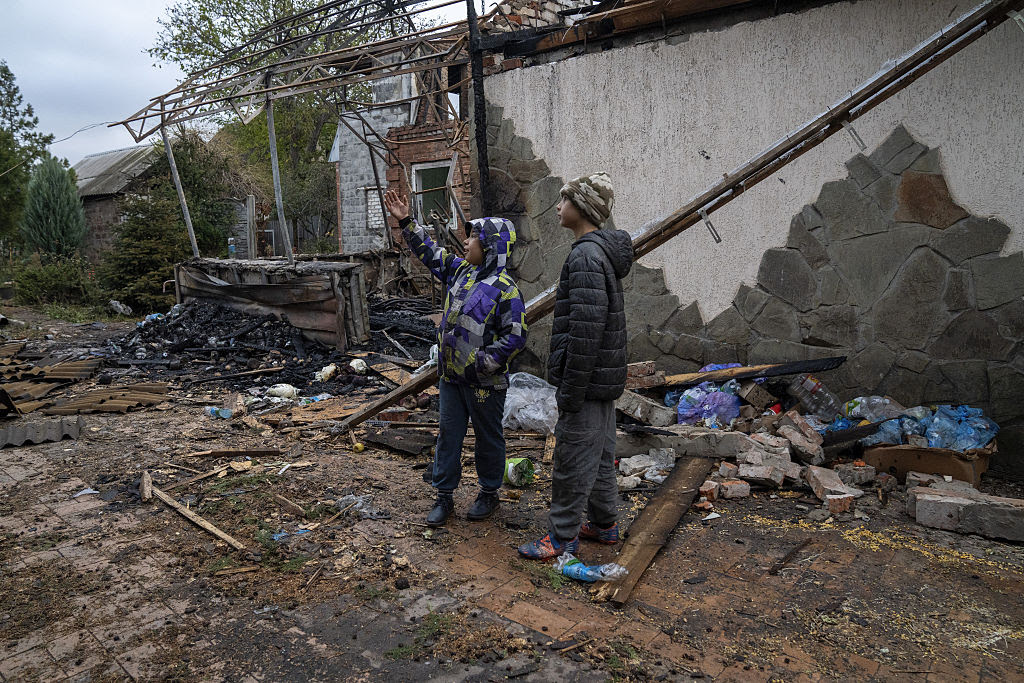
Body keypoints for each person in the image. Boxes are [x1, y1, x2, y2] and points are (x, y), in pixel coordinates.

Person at [383, 189, 528, 527]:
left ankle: (488, 493)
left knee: (488, 437)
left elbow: (516, 336)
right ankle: (444, 496)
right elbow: (431, 254)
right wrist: (406, 221)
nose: (466, 243)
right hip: (450, 380)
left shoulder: (506, 289)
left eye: (474, 237)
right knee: (449, 435)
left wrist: (482, 364)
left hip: (484, 384)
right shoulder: (461, 273)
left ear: (490, 245)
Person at [518, 172, 633, 560]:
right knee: (600, 456)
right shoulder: (599, 252)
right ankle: (605, 525)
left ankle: (562, 537)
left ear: (580, 208)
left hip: (585, 382)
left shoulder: (585, 255)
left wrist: (569, 391)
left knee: (571, 459)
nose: (557, 207)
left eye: (563, 200)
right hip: (602, 380)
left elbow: (586, 331)